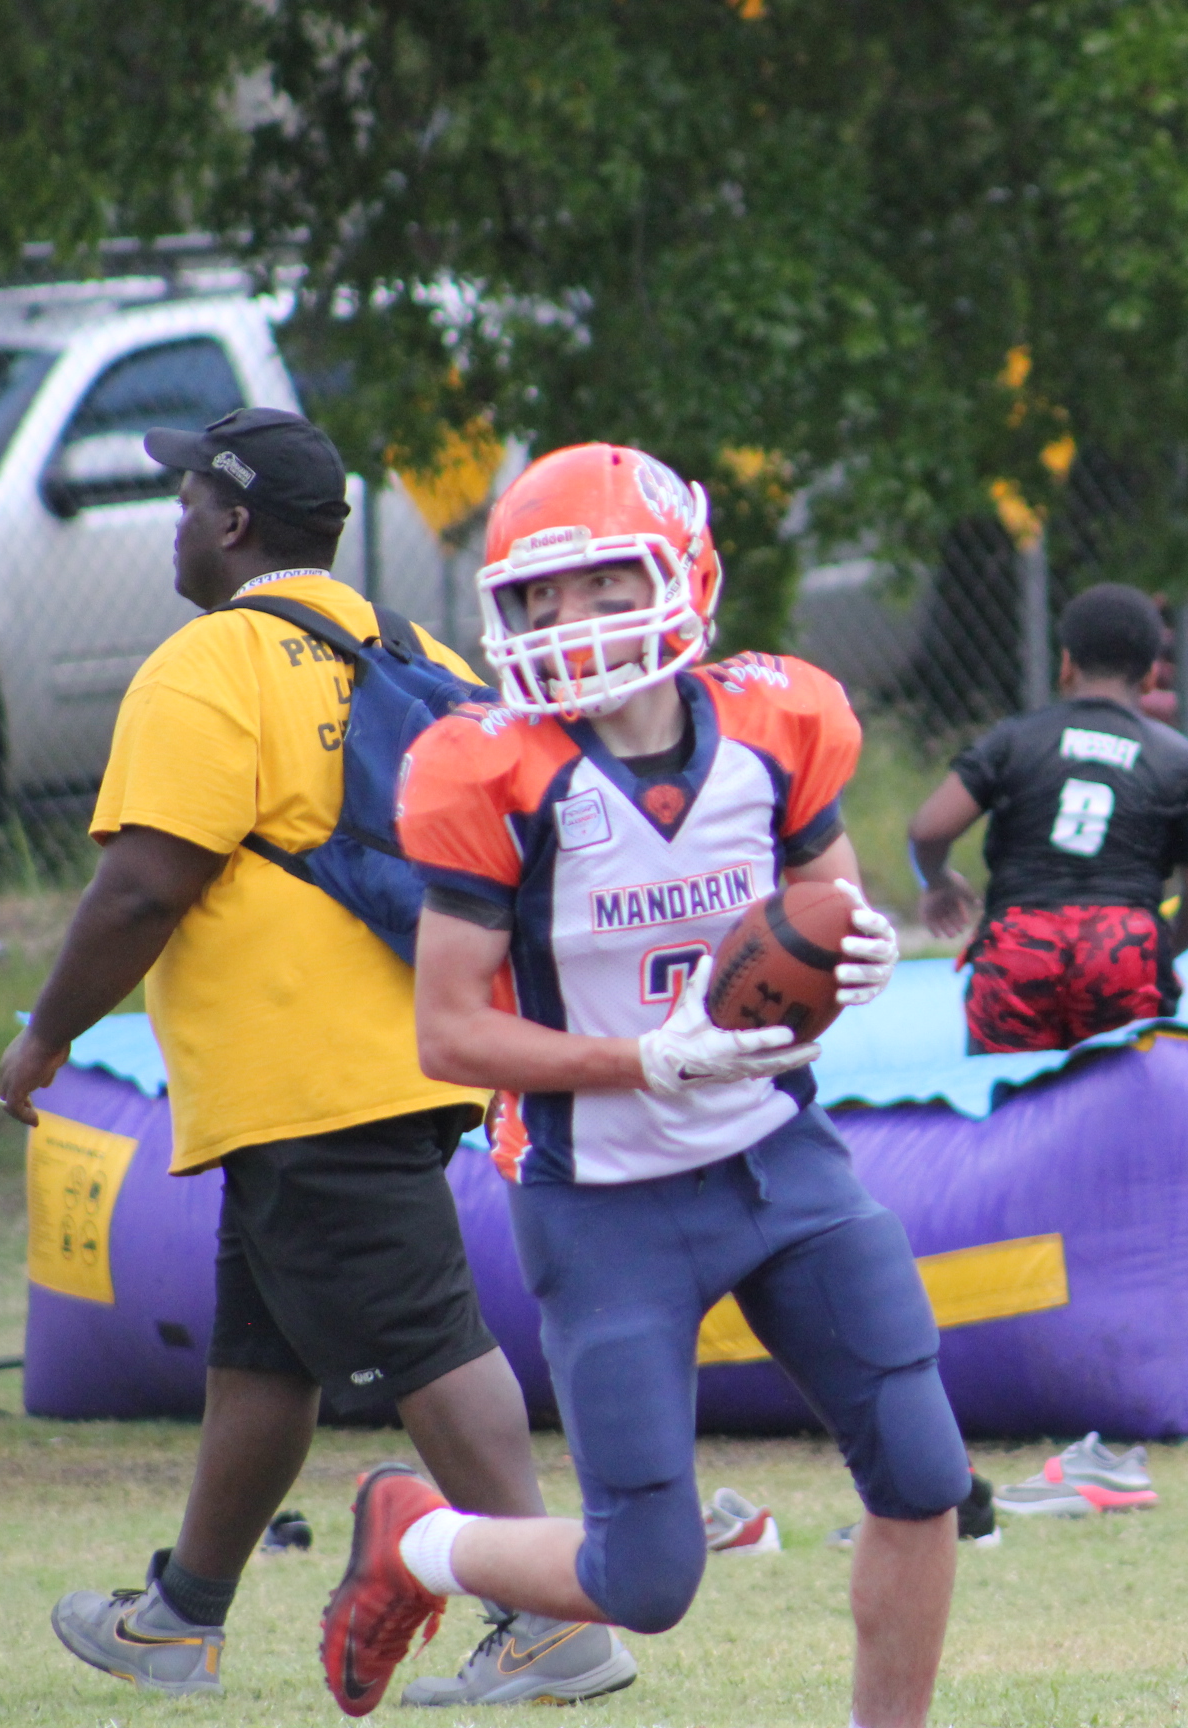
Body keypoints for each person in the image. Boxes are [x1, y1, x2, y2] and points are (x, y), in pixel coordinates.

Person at [0, 409, 633, 1707]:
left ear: (233, 522)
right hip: (409, 1055)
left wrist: (47, 1033)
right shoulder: (416, 651)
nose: (175, 521)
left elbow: (144, 884)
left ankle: (555, 1616)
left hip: (307, 1080)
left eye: (186, 499)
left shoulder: (209, 663)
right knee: (264, 1357)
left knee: (429, 1342)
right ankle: (179, 1619)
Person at [341, 443, 962, 1727]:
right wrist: (642, 1059)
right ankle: (417, 1537)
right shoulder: (493, 770)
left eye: (602, 584)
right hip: (604, 1198)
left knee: (922, 1472)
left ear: (684, 575)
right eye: (540, 597)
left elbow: (824, 907)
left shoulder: (780, 722)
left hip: (778, 1163)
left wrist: (859, 947)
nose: (568, 619)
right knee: (646, 1577)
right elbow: (448, 1034)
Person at [907, 583, 1188, 1052]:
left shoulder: (1015, 740)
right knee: (1122, 1089)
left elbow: (929, 829)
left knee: (1009, 1090)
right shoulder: (1178, 760)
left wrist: (938, 881)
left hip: (1021, 944)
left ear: (1066, 665)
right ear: (1151, 675)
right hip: (1121, 945)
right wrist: (1164, 950)